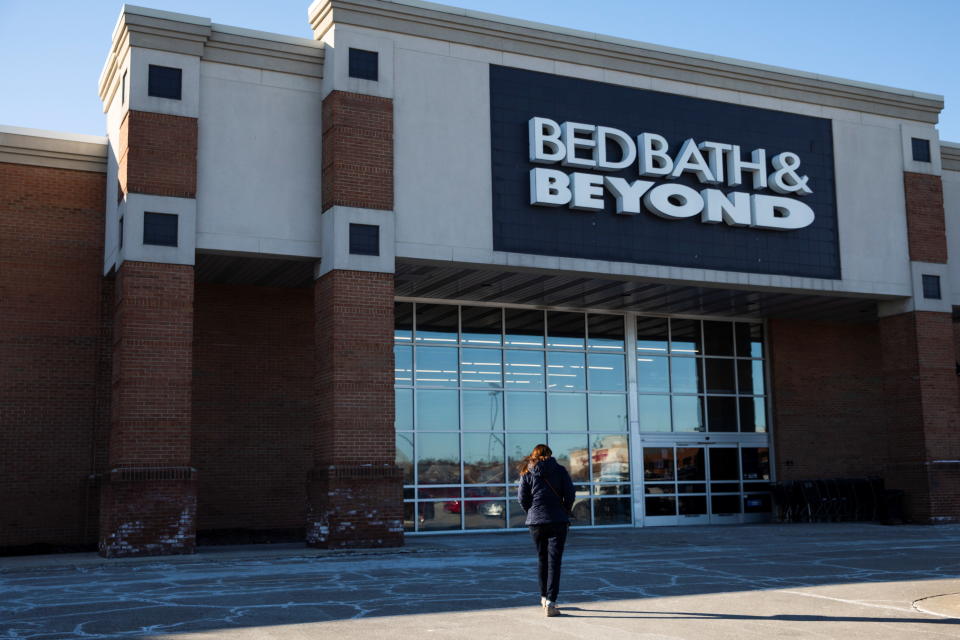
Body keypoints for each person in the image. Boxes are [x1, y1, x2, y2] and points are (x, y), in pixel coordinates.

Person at [517, 443, 575, 617]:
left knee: (542, 559)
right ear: (550, 454)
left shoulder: (527, 472)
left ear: (533, 454)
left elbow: (522, 498)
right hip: (557, 520)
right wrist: (564, 510)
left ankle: (543, 597)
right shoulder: (560, 470)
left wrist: (532, 512)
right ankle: (551, 601)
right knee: (554, 562)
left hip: (536, 522)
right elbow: (570, 494)